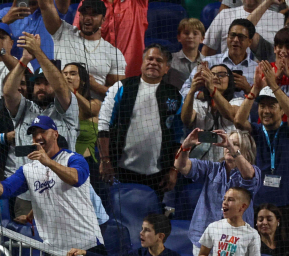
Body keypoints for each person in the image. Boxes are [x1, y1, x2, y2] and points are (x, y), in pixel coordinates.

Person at [0, 115, 103, 255]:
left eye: (42, 131)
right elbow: (2, 191)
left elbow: (76, 178)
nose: (37, 137)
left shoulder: (73, 158)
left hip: (86, 245)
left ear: (55, 134)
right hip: (55, 250)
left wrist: (48, 162)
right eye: (34, 134)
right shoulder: (28, 170)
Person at [3, 32, 78, 216]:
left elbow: (61, 87)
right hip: (28, 196)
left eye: (46, 83)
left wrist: (38, 52)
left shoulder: (67, 107)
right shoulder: (24, 108)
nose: (41, 87)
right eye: (38, 84)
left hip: (62, 193)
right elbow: (8, 93)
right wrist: (25, 59)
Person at [98, 44, 182, 201]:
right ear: (142, 63)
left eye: (159, 60)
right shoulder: (121, 87)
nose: (153, 63)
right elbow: (103, 126)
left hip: (158, 175)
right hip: (119, 171)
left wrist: (174, 170)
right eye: (149, 58)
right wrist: (105, 160)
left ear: (166, 68)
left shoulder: (174, 95)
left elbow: (179, 137)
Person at [234, 62, 289, 227]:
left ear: (281, 110)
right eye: (262, 106)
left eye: (272, 106)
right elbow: (238, 121)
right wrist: (255, 89)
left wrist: (273, 85)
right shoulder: (257, 131)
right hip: (260, 204)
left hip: (288, 203)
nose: (266, 111)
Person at [175, 128, 261, 255]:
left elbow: (249, 177)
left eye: (235, 143)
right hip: (204, 241)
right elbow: (180, 166)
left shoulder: (253, 171)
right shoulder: (211, 169)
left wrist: (233, 149)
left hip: (235, 243)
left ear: (246, 151)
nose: (228, 146)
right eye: (227, 142)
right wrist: (185, 146)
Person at [39, 0, 126, 100]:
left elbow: (120, 93)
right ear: (79, 16)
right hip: (63, 106)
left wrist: (95, 86)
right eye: (84, 13)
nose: (88, 18)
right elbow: (45, 6)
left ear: (103, 19)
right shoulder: (63, 33)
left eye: (94, 14)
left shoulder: (113, 53)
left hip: (93, 110)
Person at [67, 213, 186, 256]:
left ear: (160, 236)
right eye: (142, 229)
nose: (141, 233)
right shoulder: (138, 254)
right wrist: (84, 253)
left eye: (147, 230)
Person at [180, 20, 258, 99]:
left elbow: (265, 101)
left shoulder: (257, 69)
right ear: (227, 37)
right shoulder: (208, 63)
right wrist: (205, 95)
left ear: (249, 42)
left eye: (241, 37)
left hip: (245, 110)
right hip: (211, 110)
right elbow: (183, 91)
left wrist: (248, 89)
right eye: (232, 35)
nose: (235, 40)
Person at [71, 0, 148, 78]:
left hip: (131, 77)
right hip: (97, 75)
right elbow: (74, 39)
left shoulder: (137, 2)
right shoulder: (87, 3)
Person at [197, 187, 261, 256]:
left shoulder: (252, 234)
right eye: (224, 199)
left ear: (243, 206)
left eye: (230, 200)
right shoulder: (214, 227)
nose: (225, 203)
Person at [181, 64, 239, 162]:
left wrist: (212, 88)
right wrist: (192, 91)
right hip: (201, 164)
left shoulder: (237, 101)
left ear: (230, 81)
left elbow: (231, 114)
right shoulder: (198, 103)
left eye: (221, 74)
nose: (216, 77)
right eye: (212, 74)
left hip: (228, 162)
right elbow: (186, 120)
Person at [202, 0, 283, 57]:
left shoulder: (279, 19)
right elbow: (207, 51)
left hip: (265, 77)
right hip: (228, 75)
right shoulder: (224, 15)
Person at [63, 62, 101, 170]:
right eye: (64, 74)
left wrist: (72, 91)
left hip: (87, 164)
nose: (67, 76)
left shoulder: (95, 103)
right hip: (63, 164)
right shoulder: (58, 106)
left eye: (72, 73)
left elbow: (90, 110)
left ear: (83, 81)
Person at [0, 0, 54, 64]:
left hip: (47, 69)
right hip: (15, 69)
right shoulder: (4, 13)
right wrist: (5, 21)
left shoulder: (52, 12)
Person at [164, 18, 205, 91]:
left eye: (195, 33)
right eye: (186, 33)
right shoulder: (170, 59)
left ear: (202, 39)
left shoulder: (208, 62)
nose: (190, 36)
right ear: (179, 37)